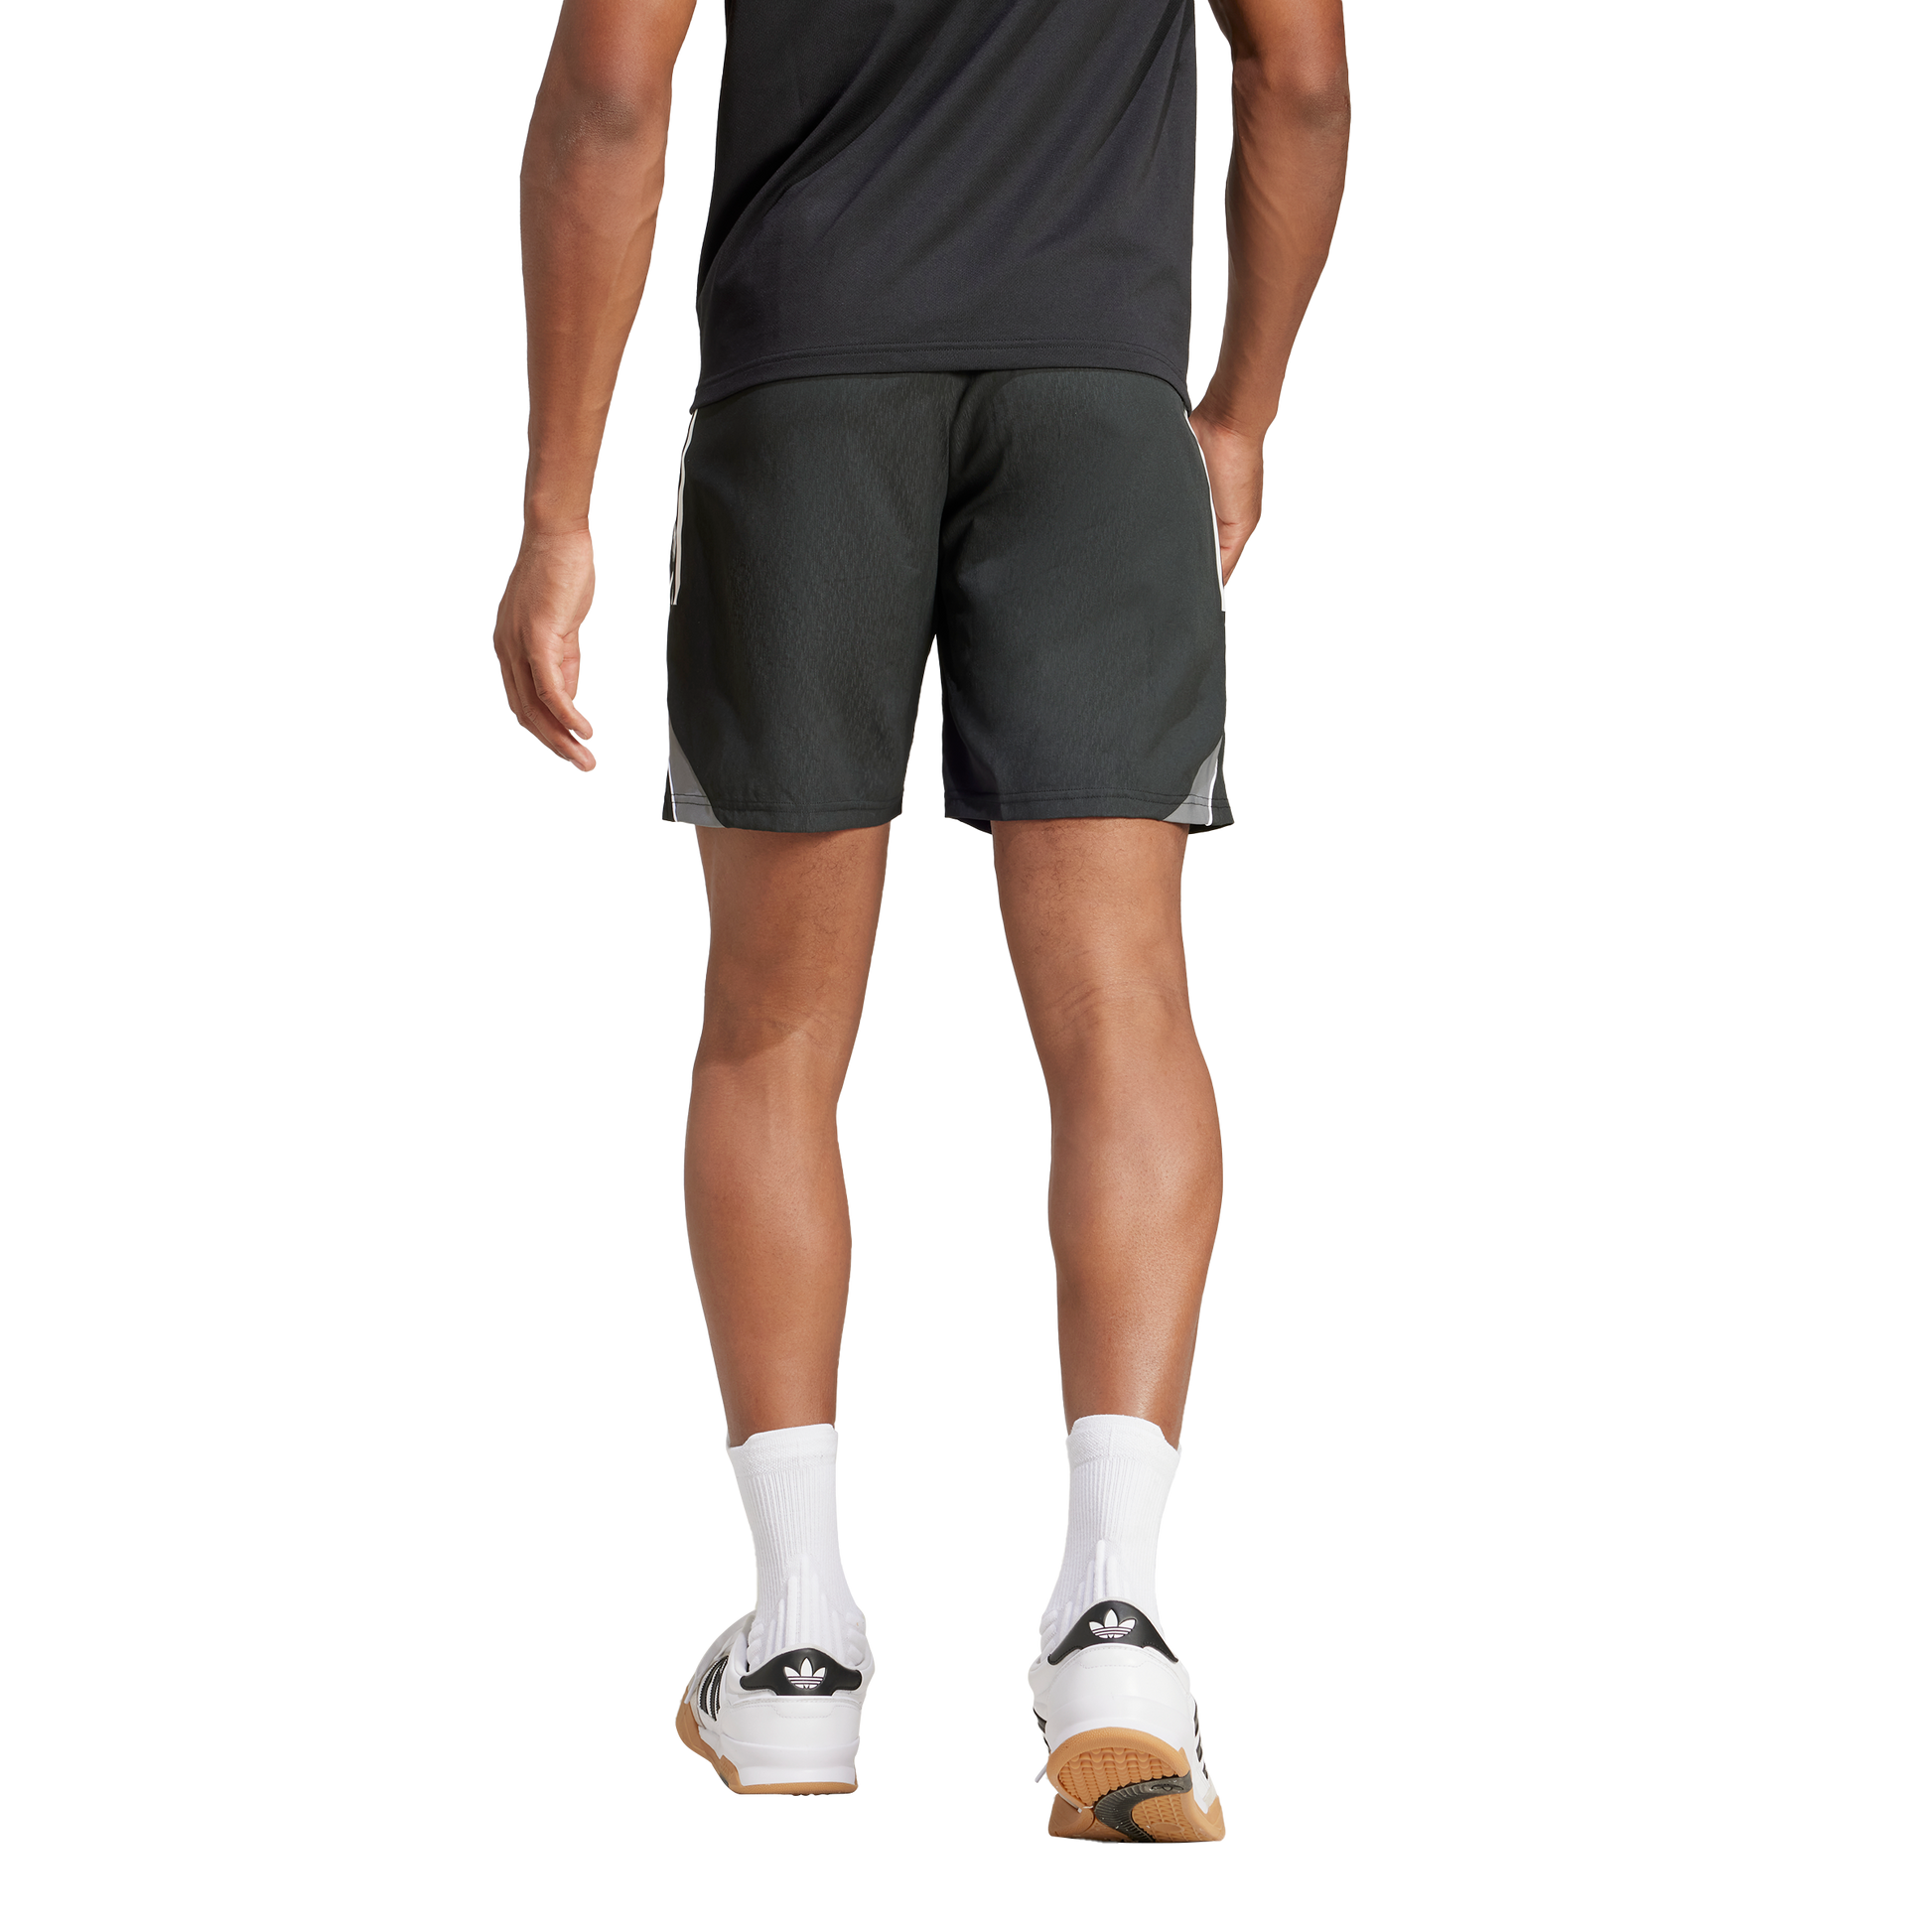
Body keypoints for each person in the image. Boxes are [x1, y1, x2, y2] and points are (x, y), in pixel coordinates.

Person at [491, 0, 1349, 1843]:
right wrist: (1240, 411)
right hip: (1099, 391)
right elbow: (1297, 72)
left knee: (771, 1025)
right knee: (1124, 1006)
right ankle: (1114, 1632)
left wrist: (557, 510)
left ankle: (799, 1645)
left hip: (806, 386)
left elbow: (610, 91)